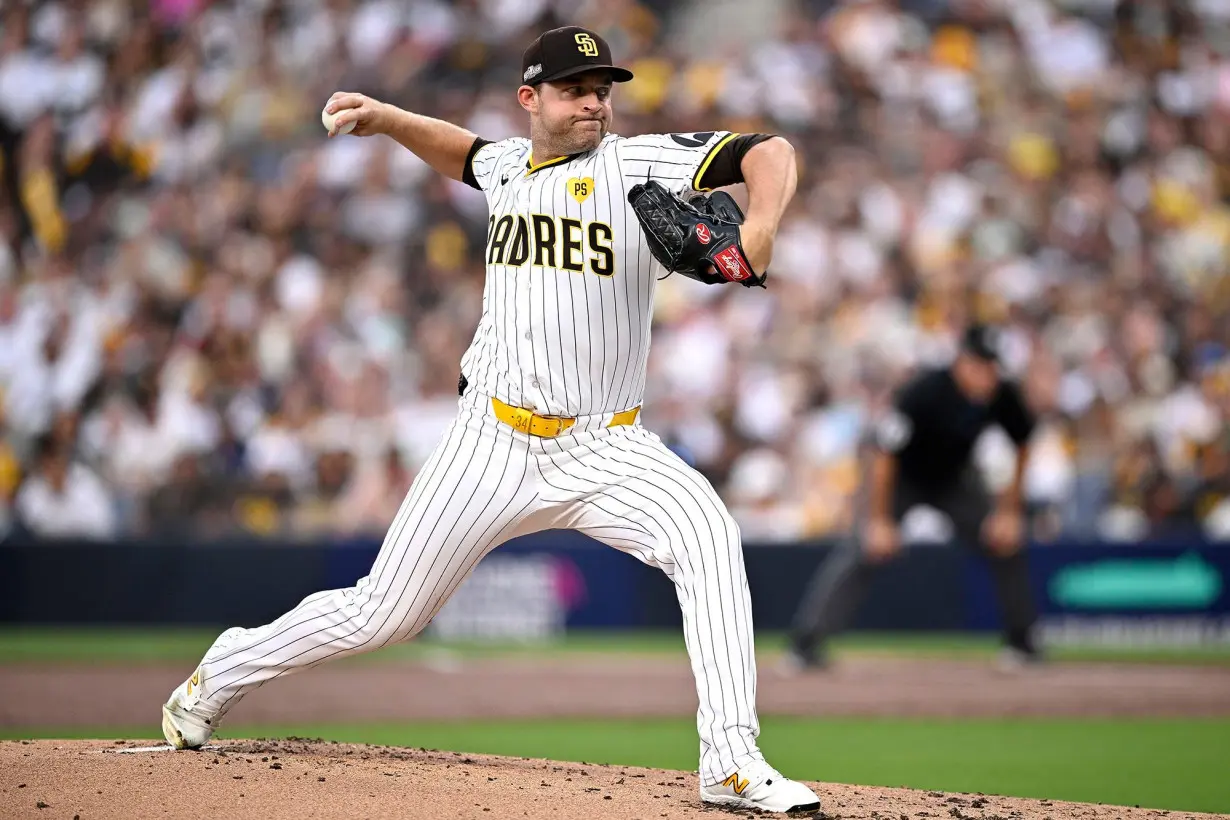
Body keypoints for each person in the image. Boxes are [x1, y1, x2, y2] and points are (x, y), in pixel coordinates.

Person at [159, 25, 820, 815]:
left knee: (708, 535)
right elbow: (464, 153)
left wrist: (760, 229)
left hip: (605, 444)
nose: (594, 105)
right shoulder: (509, 164)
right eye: (577, 90)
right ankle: (225, 668)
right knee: (383, 614)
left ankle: (730, 760)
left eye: (602, 91)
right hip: (492, 441)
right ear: (530, 99)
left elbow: (768, 151)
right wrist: (387, 116)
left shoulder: (636, 162)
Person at [786, 325, 1040, 670]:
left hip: (954, 480)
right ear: (962, 363)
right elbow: (883, 454)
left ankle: (1022, 642)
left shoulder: (1002, 395)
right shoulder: (924, 391)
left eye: (992, 367)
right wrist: (878, 520)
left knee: (1005, 541)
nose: (987, 375)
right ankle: (806, 643)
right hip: (901, 479)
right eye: (980, 365)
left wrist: (1010, 511)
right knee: (864, 548)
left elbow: (1022, 443)